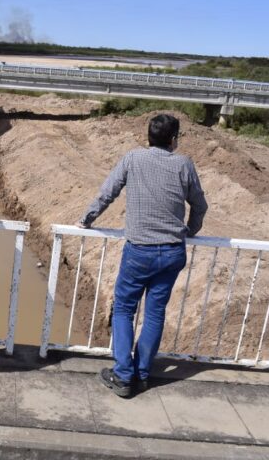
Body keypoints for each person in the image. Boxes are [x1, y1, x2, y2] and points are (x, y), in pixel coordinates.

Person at [77, 114, 207, 398]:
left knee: (124, 309)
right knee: (155, 312)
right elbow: (199, 204)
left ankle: (123, 375)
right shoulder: (184, 164)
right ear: (174, 139)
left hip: (139, 252)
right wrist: (191, 230)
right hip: (173, 252)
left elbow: (107, 192)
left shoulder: (132, 158)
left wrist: (86, 219)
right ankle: (142, 373)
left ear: (149, 136)